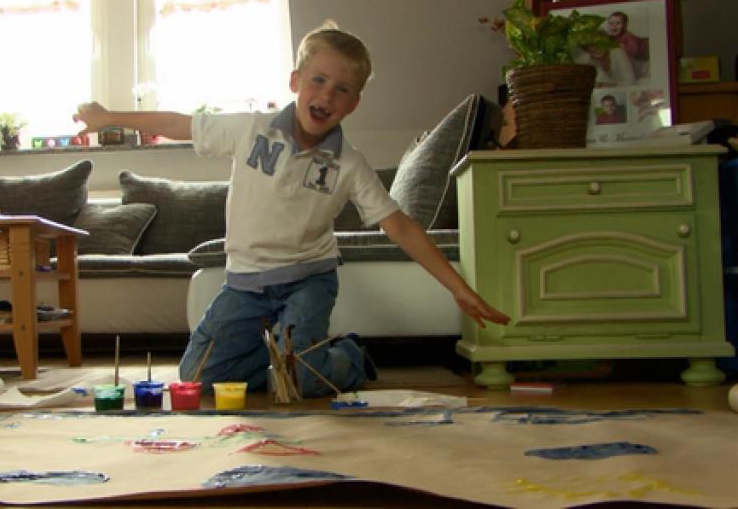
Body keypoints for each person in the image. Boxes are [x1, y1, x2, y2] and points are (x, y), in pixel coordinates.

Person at [73, 22, 510, 397]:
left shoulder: (349, 164)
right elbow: (177, 124)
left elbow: (399, 225)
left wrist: (456, 286)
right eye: (318, 80)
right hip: (244, 285)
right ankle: (283, 364)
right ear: (295, 81)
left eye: (342, 89)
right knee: (198, 379)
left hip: (308, 280)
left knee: (298, 374)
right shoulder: (250, 130)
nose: (327, 95)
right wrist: (110, 116)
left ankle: (346, 357)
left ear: (354, 103)